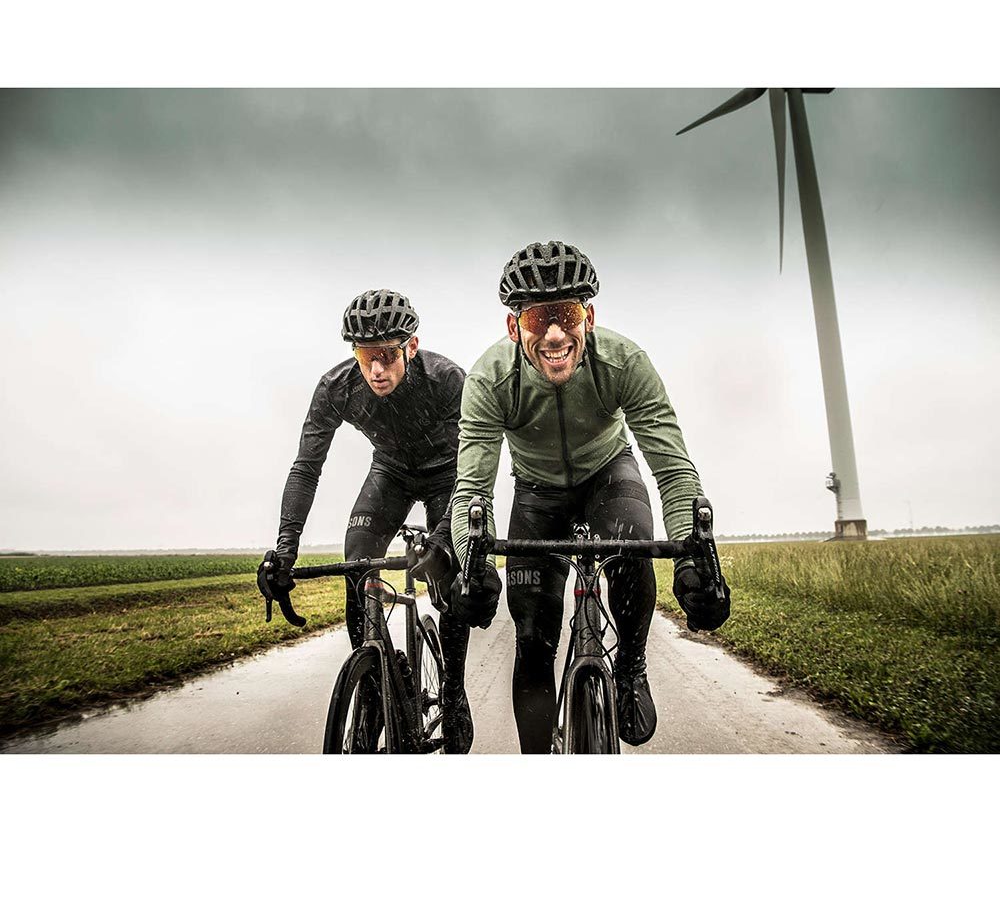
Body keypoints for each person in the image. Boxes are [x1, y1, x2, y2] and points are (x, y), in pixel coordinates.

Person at [442, 241, 730, 753]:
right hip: (536, 493)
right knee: (533, 643)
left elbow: (672, 469)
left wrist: (694, 558)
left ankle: (631, 665)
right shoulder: (490, 379)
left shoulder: (625, 362)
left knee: (632, 541)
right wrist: (473, 564)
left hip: (608, 475)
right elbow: (472, 491)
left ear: (588, 318)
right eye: (538, 319)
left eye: (567, 315)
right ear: (514, 327)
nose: (554, 334)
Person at [262, 289, 473, 753]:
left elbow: (474, 469)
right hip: (390, 474)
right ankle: (375, 684)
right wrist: (284, 549)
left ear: (411, 346)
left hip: (448, 475)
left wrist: (444, 540)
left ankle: (453, 690)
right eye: (365, 356)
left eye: (387, 356)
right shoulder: (337, 386)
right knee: (357, 562)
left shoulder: (447, 380)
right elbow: (306, 468)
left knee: (449, 576)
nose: (376, 369)